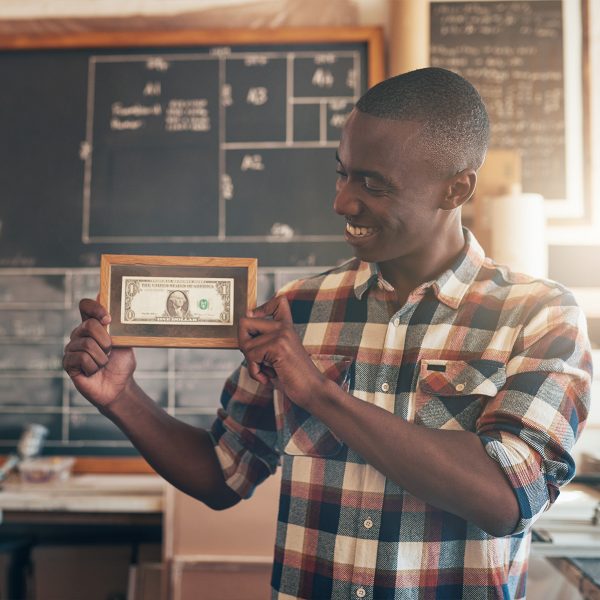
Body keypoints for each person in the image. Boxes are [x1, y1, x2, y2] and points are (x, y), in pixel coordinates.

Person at [63, 67, 592, 600]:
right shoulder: (297, 310)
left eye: (373, 184)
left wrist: (318, 392)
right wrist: (121, 398)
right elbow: (223, 472)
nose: (342, 202)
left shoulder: (540, 317)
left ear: (456, 189)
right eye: (342, 174)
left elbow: (506, 498)